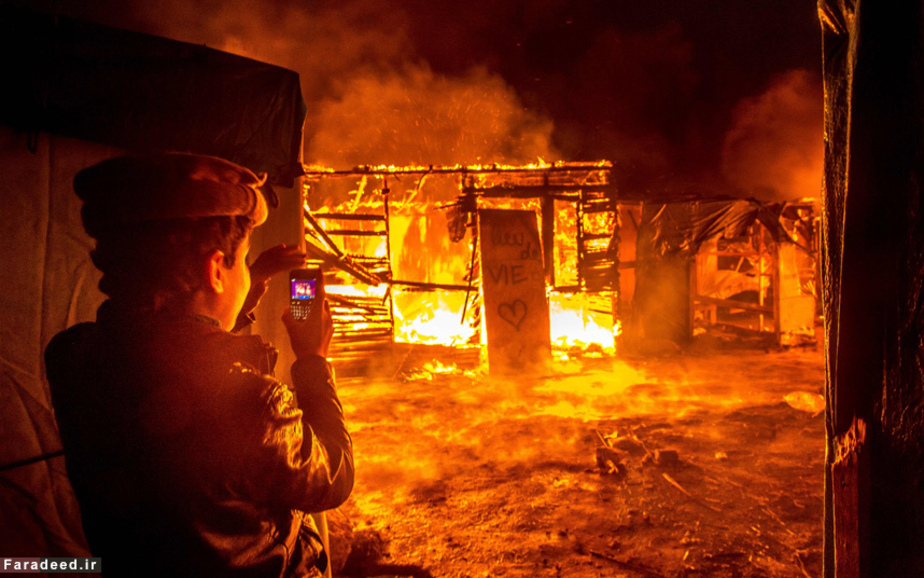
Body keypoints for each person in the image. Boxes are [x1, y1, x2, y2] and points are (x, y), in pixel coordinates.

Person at [44, 153, 353, 577]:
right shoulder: (254, 404)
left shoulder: (71, 355)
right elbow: (332, 477)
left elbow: (171, 343)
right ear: (216, 270)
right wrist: (314, 361)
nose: (247, 272)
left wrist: (251, 283)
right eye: (241, 261)